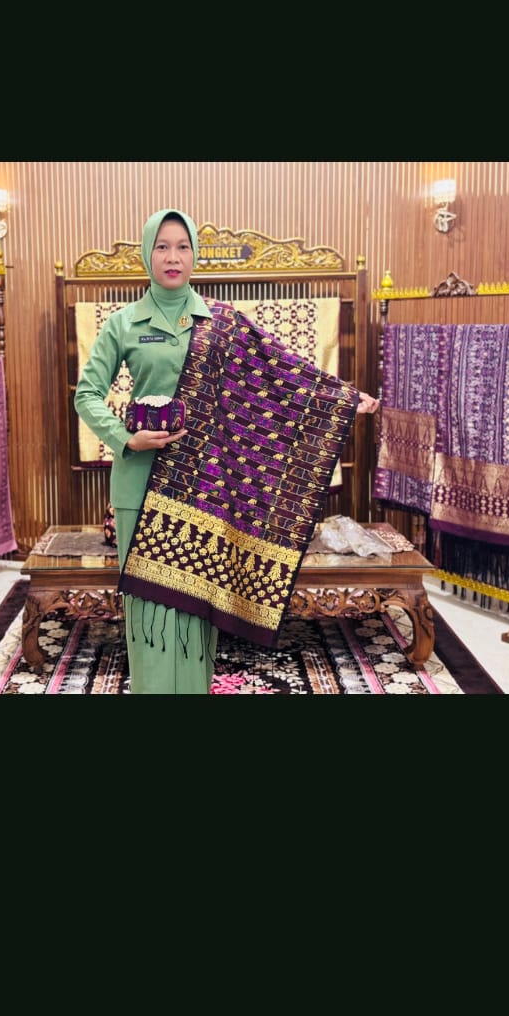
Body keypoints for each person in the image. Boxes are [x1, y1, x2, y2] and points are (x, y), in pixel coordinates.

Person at [74, 209, 379, 694]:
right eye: (162, 246)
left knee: (198, 609)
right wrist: (125, 438)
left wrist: (339, 398)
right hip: (140, 484)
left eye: (183, 246)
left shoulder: (222, 321)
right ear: (147, 252)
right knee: (149, 614)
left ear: (195, 254)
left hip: (206, 491)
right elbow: (87, 395)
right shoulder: (124, 323)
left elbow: (278, 372)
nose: (173, 257)